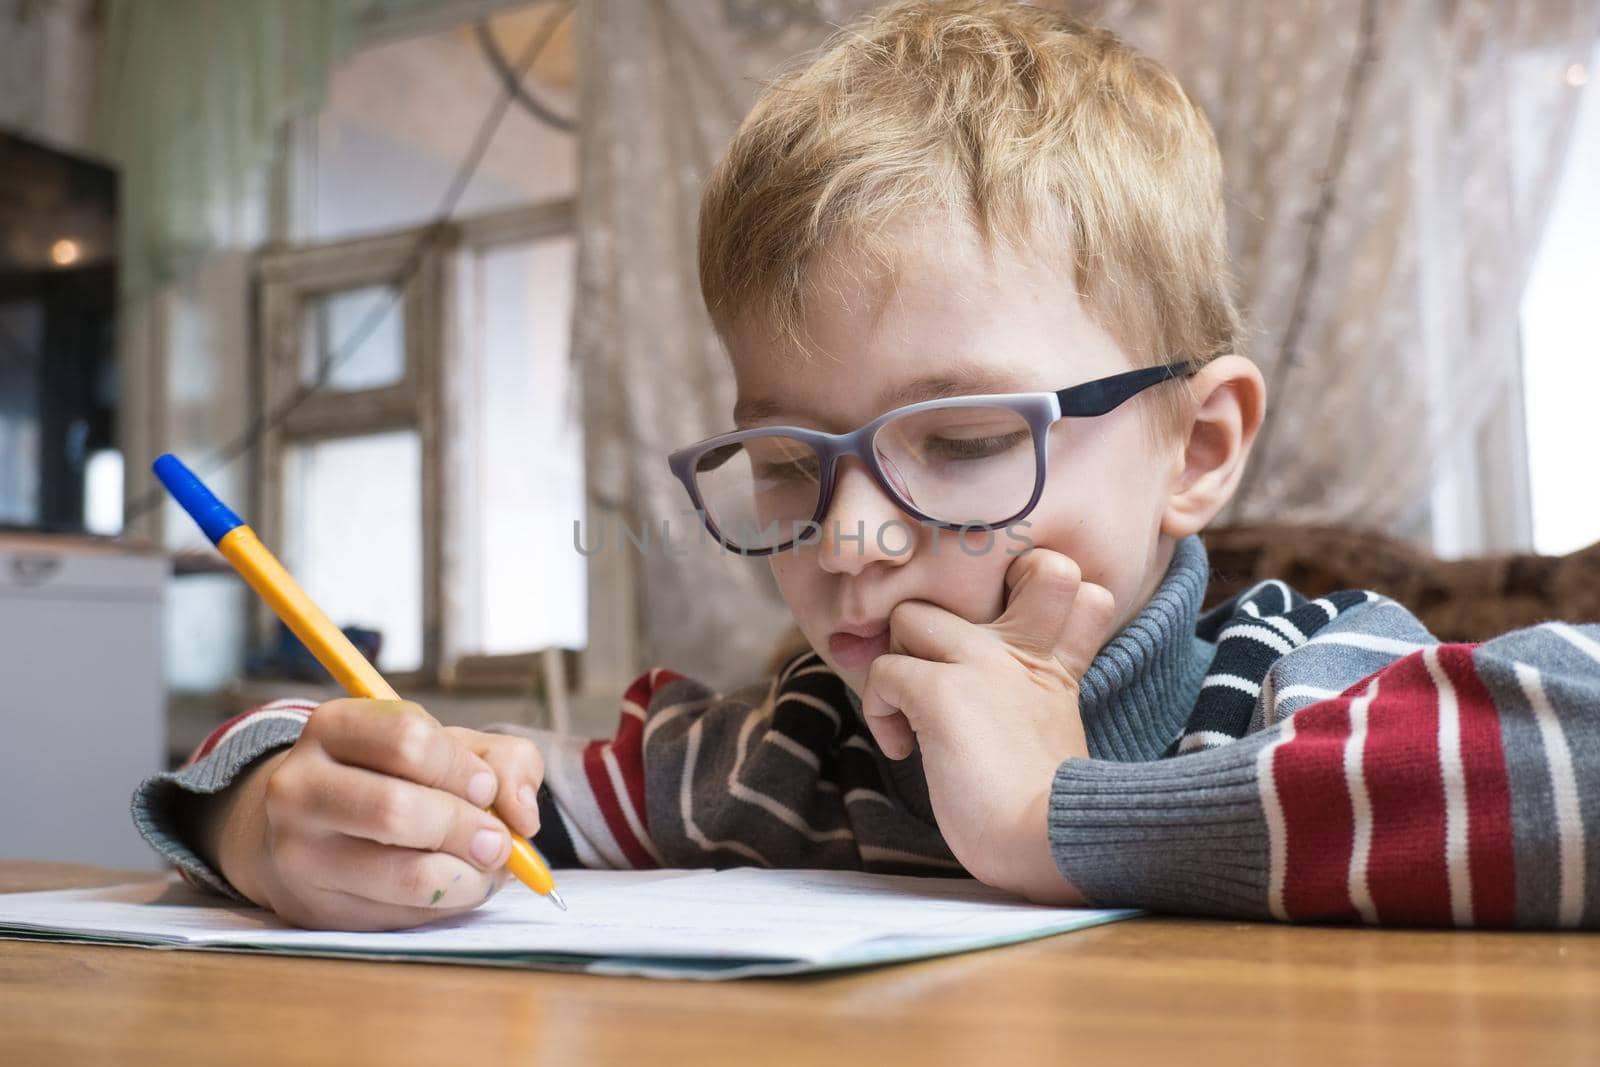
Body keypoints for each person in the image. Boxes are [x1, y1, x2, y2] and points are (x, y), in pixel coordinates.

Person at [134, 0, 1600, 932]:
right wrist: (267, 813)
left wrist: (1061, 819)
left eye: (961, 444)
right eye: (785, 463)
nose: (849, 540)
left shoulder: (1304, 679)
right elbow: (461, 798)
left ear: (1197, 449)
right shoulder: (787, 754)